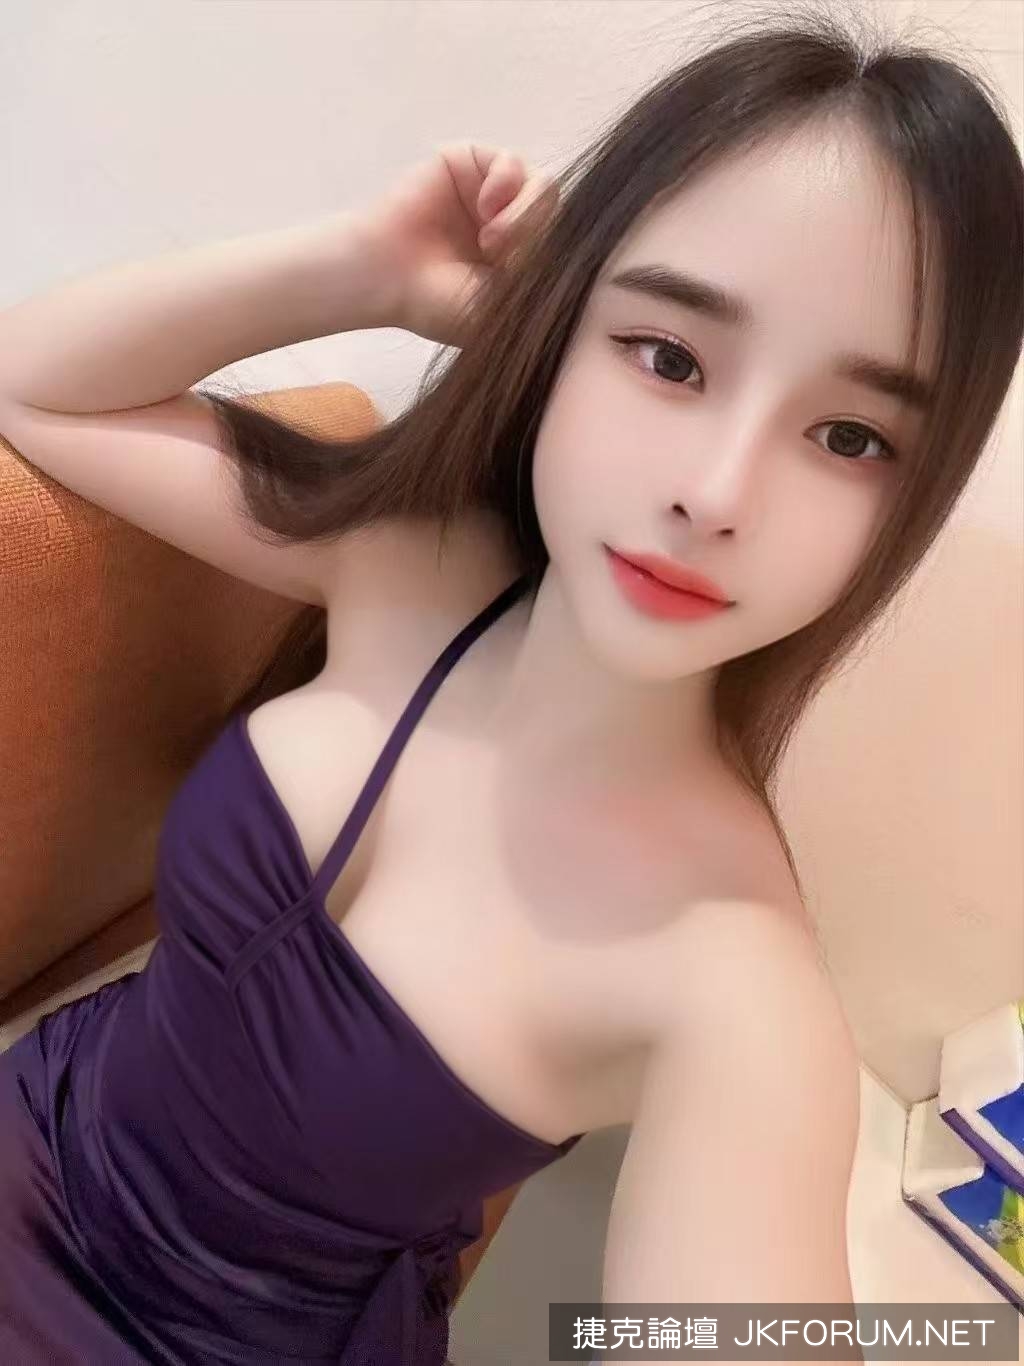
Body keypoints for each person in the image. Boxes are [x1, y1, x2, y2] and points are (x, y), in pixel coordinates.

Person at [1, 7, 1021, 1365]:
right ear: (564, 329)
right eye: (669, 357)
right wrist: (364, 271)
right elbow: (35, 389)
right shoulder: (418, 568)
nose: (714, 493)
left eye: (848, 436)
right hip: (31, 1132)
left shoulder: (735, 994)